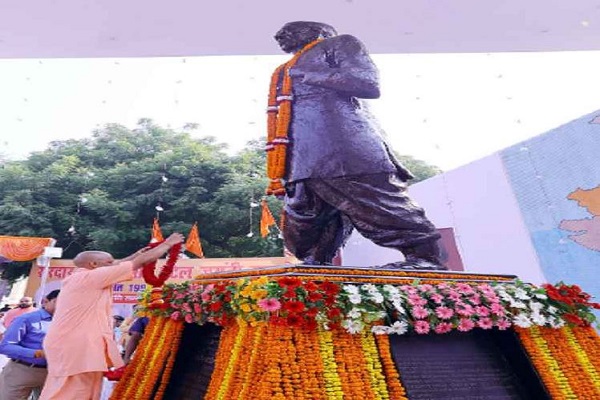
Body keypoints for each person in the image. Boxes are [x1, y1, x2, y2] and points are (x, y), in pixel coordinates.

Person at [269, 21, 444, 270]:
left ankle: (425, 258)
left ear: (317, 31)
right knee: (304, 212)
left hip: (344, 144)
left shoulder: (339, 44)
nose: (280, 35)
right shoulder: (284, 68)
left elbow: (366, 83)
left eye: (292, 29)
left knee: (374, 201)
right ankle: (316, 260)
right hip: (300, 152)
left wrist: (311, 75)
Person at [39, 233, 185, 400]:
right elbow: (140, 263)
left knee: (84, 390)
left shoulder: (85, 276)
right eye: (109, 262)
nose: (114, 264)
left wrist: (136, 254)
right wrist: (168, 244)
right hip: (77, 346)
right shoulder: (91, 277)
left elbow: (121, 263)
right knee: (72, 392)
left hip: (80, 345)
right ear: (93, 264)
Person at [0, 290, 60, 400]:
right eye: (59, 302)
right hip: (22, 370)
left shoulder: (67, 321)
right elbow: (5, 347)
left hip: (52, 373)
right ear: (46, 301)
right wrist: (36, 353)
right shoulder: (27, 319)